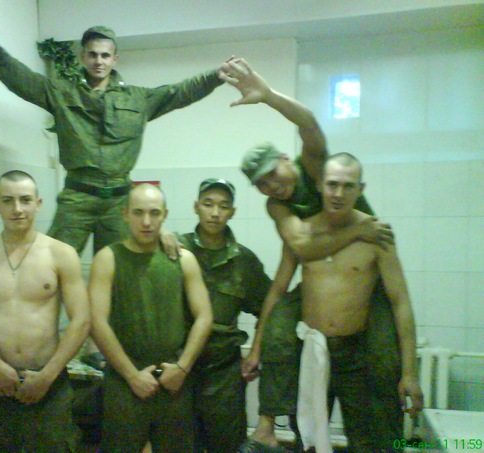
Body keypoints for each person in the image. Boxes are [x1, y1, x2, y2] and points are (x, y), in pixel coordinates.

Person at [218, 59, 402, 452]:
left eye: (273, 173)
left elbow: (310, 124)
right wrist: (256, 346)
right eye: (262, 183)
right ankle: (267, 425)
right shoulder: (277, 206)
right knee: (278, 326)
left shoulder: (317, 168)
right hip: (319, 283)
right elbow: (300, 250)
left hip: (366, 283)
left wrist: (268, 96)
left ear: (287, 159)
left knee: (385, 366)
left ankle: (394, 442)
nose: (272, 185)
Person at [0, 19, 231, 257]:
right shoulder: (62, 93)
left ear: (115, 59)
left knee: (120, 269)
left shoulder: (138, 99)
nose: (99, 61)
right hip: (77, 196)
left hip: (120, 201)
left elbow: (179, 93)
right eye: (92, 54)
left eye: (105, 55)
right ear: (83, 57)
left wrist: (215, 77)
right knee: (51, 264)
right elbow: (25, 82)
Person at [275, 153, 423, 451]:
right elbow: (278, 289)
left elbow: (400, 302)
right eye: (332, 184)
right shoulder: (304, 234)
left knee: (366, 441)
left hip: (357, 355)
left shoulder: (377, 234)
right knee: (307, 437)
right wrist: (258, 347)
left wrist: (409, 373)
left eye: (348, 186)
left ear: (360, 189)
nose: (338, 193)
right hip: (311, 352)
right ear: (319, 185)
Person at [0, 170, 90, 453]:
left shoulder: (61, 254)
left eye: (25, 200)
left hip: (48, 380)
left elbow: (81, 321)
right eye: (8, 200)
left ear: (38, 204)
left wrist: (48, 375)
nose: (17, 209)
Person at [89, 183, 213, 453]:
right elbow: (97, 322)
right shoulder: (108, 259)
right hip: (124, 383)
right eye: (138, 212)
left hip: (174, 381)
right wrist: (132, 376)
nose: (146, 221)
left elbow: (205, 316)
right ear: (125, 214)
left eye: (154, 213)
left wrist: (182, 368)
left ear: (164, 214)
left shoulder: (183, 259)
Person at [176, 178, 271, 452]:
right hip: (179, 368)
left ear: (233, 212)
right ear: (196, 207)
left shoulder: (244, 261)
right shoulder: (175, 250)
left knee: (227, 445)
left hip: (224, 373)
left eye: (223, 206)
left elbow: (269, 307)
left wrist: (256, 352)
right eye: (208, 204)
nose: (215, 213)